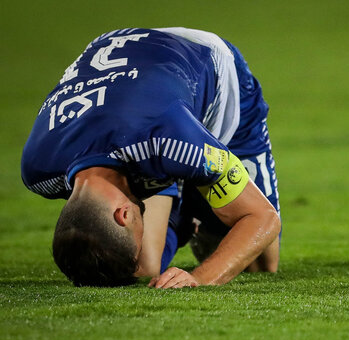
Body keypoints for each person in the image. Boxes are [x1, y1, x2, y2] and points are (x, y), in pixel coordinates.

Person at [21, 27, 281, 288]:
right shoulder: (38, 169)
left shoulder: (173, 142)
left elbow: (263, 218)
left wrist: (200, 278)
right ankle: (181, 215)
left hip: (204, 62)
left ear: (122, 214)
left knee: (258, 265)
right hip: (136, 96)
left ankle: (192, 195)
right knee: (141, 268)